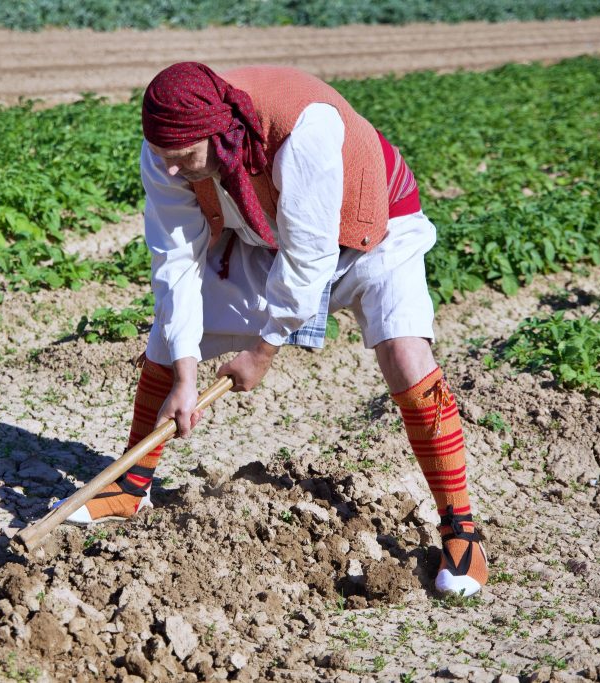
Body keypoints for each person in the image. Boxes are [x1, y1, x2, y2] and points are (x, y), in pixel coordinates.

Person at [59, 62, 487, 597]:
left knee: (406, 355)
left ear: (219, 134)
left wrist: (262, 351)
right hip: (264, 231)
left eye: (183, 157)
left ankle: (460, 529)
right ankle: (131, 486)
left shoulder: (303, 130)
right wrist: (186, 378)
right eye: (162, 156)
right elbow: (176, 264)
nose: (169, 169)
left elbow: (310, 258)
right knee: (169, 338)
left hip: (373, 222)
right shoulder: (167, 153)